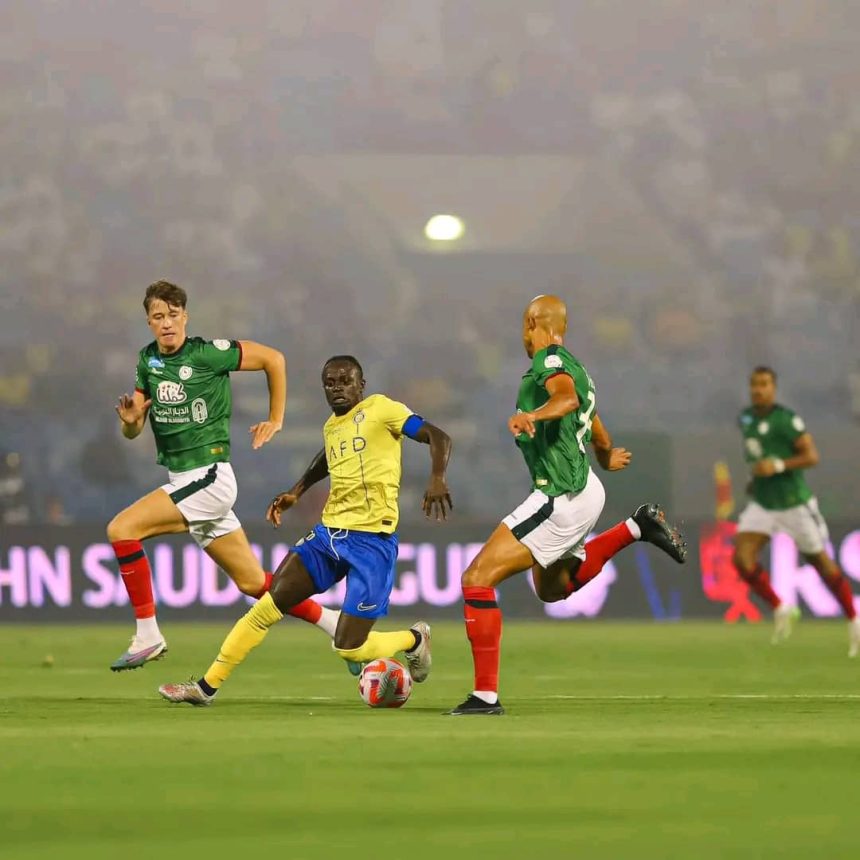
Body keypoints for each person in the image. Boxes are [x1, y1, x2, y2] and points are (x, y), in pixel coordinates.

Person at [158, 354, 453, 705]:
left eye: (345, 381)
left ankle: (414, 640)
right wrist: (296, 491)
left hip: (373, 543)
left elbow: (438, 436)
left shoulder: (383, 409)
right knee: (267, 606)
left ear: (362, 384)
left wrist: (437, 478)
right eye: (330, 383)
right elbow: (327, 457)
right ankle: (206, 687)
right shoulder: (332, 426)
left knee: (349, 649)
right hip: (329, 535)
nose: (337, 388)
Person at [447, 296, 687, 715]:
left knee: (476, 578)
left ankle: (485, 697)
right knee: (553, 590)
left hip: (560, 495)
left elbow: (568, 401)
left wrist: (533, 417)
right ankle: (636, 526)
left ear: (531, 322)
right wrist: (606, 454)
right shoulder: (577, 367)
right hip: (587, 491)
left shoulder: (549, 364)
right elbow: (592, 417)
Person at [107, 280, 337, 671]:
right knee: (252, 583)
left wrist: (275, 419)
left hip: (209, 477)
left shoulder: (206, 354)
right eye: (158, 317)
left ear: (185, 316)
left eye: (173, 315)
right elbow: (134, 427)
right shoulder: (148, 361)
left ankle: (148, 633)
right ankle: (335, 623)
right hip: (185, 480)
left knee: (122, 530)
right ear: (148, 322)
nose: (166, 324)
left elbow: (274, 359)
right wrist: (131, 423)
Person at [733, 366, 859, 654]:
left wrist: (778, 465)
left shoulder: (787, 420)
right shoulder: (747, 418)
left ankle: (854, 620)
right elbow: (757, 457)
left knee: (823, 566)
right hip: (763, 503)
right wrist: (755, 479)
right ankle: (780, 608)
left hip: (794, 503)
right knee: (742, 559)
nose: (758, 389)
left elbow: (811, 456)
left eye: (764, 384)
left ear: (774, 388)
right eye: (754, 384)